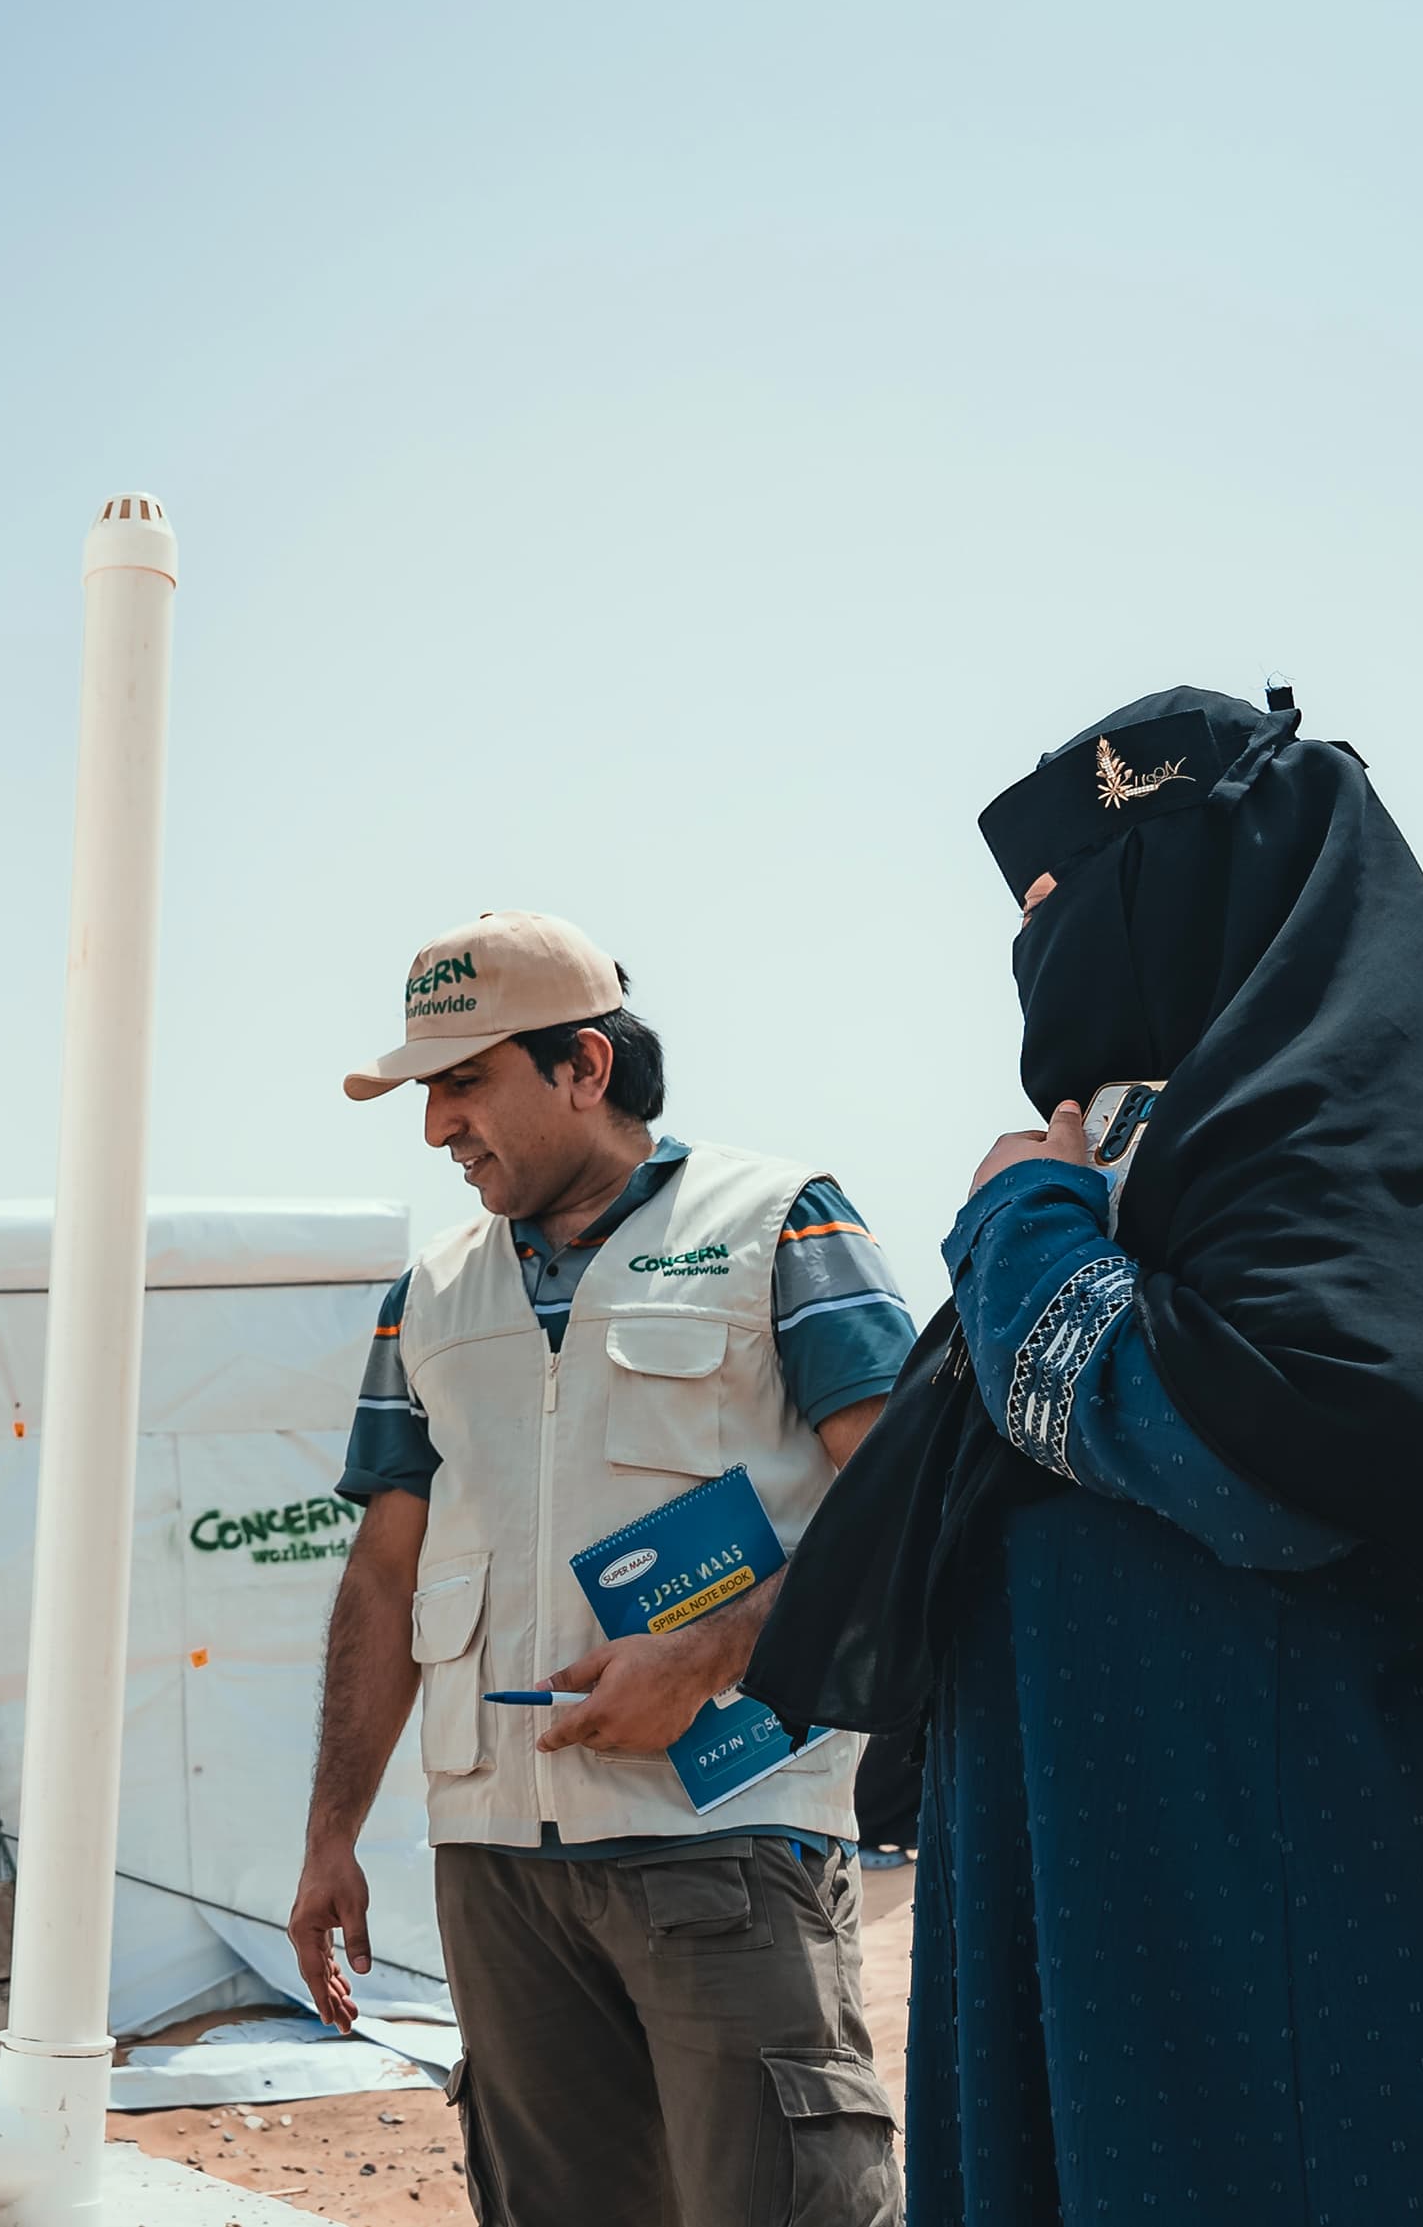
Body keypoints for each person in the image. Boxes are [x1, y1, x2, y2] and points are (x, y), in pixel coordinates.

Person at [748, 688, 1423, 2225]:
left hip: (1323, 1935)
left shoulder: (1355, 1164)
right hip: (1109, 1915)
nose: (1032, 945)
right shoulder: (1135, 1157)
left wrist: (1019, 1224)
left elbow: (1256, 1460)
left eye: (1062, 899)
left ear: (1180, 892)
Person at [289, 910, 915, 2227]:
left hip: (726, 1838)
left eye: (463, 1082)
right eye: (423, 1090)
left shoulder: (779, 1223)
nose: (435, 1126)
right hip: (498, 1872)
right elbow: (384, 1580)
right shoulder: (428, 1295)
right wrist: (331, 1835)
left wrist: (706, 1655)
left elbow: (904, 1497)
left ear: (582, 1063)